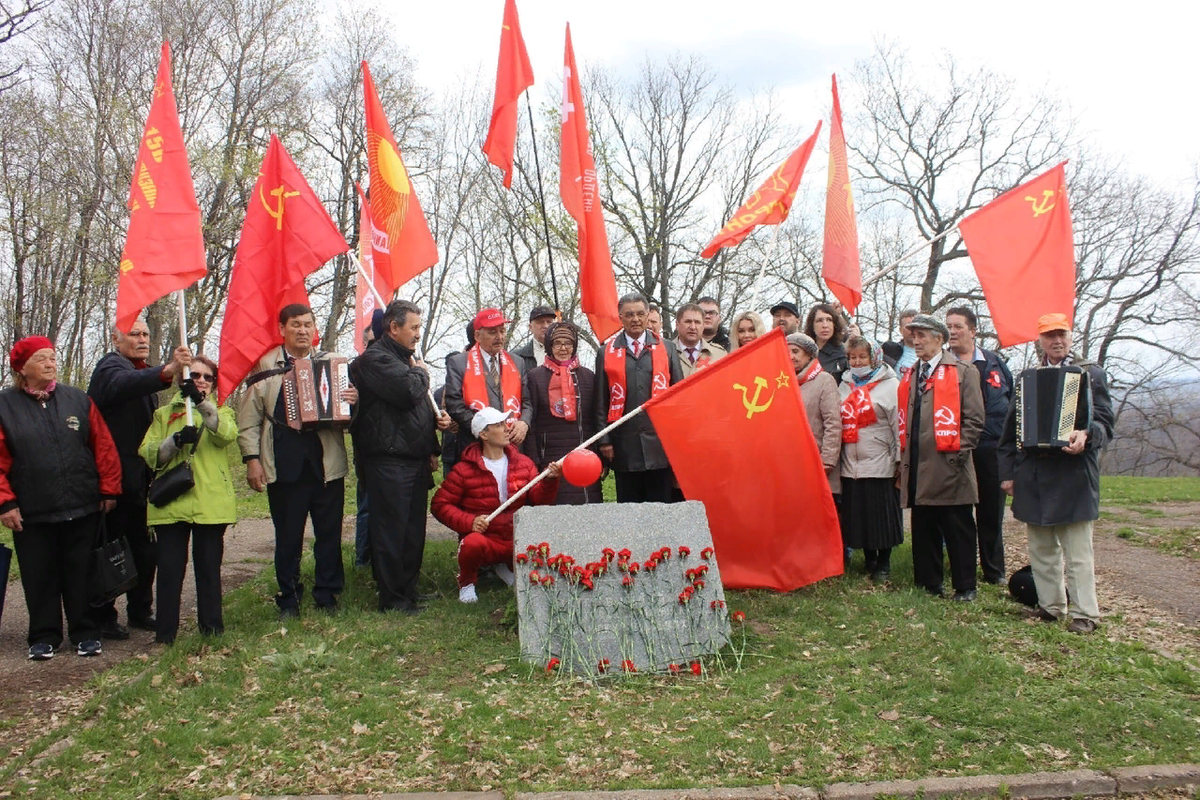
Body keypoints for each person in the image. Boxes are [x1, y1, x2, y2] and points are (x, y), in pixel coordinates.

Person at [0, 337, 121, 660]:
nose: (50, 363)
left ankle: (86, 632)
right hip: (32, 511)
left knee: (81, 573)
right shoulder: (5, 406)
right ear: (21, 368)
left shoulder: (77, 400)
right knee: (39, 575)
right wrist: (5, 503)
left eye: (52, 357)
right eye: (41, 358)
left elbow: (103, 447)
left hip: (82, 505)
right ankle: (44, 636)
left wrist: (109, 488)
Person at [236, 303, 357, 619]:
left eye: (307, 324)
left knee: (329, 534)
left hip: (326, 465)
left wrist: (353, 402)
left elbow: (350, 417)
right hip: (284, 463)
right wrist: (252, 459)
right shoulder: (265, 366)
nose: (303, 331)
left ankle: (327, 595)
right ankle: (288, 598)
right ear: (282, 329)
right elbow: (249, 421)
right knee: (288, 537)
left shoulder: (332, 363)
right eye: (295, 325)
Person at [998, 313, 1114, 634]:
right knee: (1041, 548)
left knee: (1078, 552)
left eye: (1062, 333)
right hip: (1033, 473)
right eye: (1050, 335)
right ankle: (1050, 607)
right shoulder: (1027, 378)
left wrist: (1086, 434)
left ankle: (1085, 614)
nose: (1057, 340)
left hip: (1074, 472)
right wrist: (1008, 473)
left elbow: (1106, 422)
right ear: (1040, 340)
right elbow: (1010, 432)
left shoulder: (1090, 374)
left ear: (1070, 336)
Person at [87, 317, 193, 639]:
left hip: (140, 480)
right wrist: (167, 370)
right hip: (112, 480)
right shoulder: (110, 368)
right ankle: (102, 615)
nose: (143, 339)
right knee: (110, 549)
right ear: (116, 339)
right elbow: (123, 385)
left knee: (144, 550)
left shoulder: (139, 371)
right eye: (134, 334)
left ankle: (140, 610)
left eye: (146, 333)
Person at [349, 299, 450, 614]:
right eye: (414, 327)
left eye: (419, 327)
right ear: (394, 327)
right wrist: (421, 374)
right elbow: (408, 392)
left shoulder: (406, 360)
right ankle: (392, 599)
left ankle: (408, 590)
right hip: (388, 460)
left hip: (414, 458)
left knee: (412, 530)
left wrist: (435, 433)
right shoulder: (375, 359)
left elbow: (416, 408)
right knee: (392, 530)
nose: (418, 334)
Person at [139, 355, 236, 645]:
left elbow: (226, 434)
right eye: (194, 375)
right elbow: (149, 453)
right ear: (183, 379)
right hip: (172, 502)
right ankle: (165, 634)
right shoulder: (163, 414)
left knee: (208, 570)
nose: (201, 381)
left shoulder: (222, 410)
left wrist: (201, 404)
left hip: (210, 502)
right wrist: (175, 441)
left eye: (207, 377)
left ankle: (212, 631)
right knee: (169, 571)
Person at [432, 407, 561, 603]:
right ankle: (467, 583)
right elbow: (439, 505)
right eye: (499, 425)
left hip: (515, 538)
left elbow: (539, 500)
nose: (507, 428)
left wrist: (549, 482)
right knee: (472, 544)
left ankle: (506, 566)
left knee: (545, 539)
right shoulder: (463, 470)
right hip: (486, 540)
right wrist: (470, 522)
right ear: (483, 434)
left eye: (505, 423)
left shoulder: (524, 463)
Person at [897, 314, 985, 601]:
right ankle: (929, 583)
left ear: (939, 338)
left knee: (958, 527)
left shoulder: (963, 371)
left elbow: (974, 420)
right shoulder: (911, 373)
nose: (916, 340)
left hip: (949, 465)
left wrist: (957, 455)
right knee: (924, 526)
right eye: (913, 335)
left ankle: (965, 586)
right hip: (918, 464)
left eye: (922, 335)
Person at [594, 292, 684, 503]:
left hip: (660, 444)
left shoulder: (667, 348)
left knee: (661, 507)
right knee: (629, 509)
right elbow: (600, 401)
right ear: (620, 317)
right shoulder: (606, 352)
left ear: (647, 315)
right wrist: (604, 441)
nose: (635, 319)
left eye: (640, 314)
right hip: (625, 445)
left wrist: (677, 439)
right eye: (629, 314)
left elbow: (678, 396)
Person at [946, 306, 1013, 584]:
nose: (952, 331)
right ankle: (962, 569)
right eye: (948, 326)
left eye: (958, 326)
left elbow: (1011, 401)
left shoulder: (994, 362)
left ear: (972, 331)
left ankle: (994, 571)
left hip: (991, 447)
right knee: (959, 513)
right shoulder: (943, 365)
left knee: (991, 512)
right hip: (956, 446)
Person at [838, 338, 903, 583]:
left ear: (874, 357)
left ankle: (883, 563)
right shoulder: (844, 385)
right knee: (861, 514)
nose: (857, 362)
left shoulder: (891, 385)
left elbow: (898, 425)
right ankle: (869, 558)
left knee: (881, 515)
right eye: (852, 357)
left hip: (881, 460)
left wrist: (899, 461)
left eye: (862, 357)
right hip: (851, 461)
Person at [520, 322, 602, 504]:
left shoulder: (588, 377)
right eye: (557, 343)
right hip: (549, 457)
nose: (563, 348)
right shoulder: (535, 377)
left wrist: (599, 455)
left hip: (583, 457)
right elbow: (531, 422)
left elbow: (596, 417)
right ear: (549, 346)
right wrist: (533, 460)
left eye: (568, 343)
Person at [445, 307, 529, 449]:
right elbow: (454, 405)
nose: (499, 337)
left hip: (513, 444)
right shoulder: (459, 363)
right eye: (492, 332)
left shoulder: (518, 362)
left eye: (502, 331)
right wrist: (486, 429)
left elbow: (527, 401)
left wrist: (524, 422)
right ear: (477, 336)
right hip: (476, 445)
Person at [787, 333, 842, 499]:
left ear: (809, 354)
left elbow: (833, 423)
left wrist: (827, 461)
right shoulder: (783, 381)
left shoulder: (824, 380)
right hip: (790, 464)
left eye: (795, 351)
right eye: (787, 352)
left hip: (817, 463)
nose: (790, 356)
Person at [674, 303, 726, 378]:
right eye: (688, 322)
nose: (693, 327)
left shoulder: (719, 354)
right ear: (677, 325)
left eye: (697, 322)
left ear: (703, 325)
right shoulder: (665, 352)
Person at [805, 303, 849, 384]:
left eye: (829, 320)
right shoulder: (804, 352)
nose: (825, 325)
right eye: (819, 320)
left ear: (834, 324)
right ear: (812, 325)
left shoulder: (843, 353)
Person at [512, 305, 556, 374]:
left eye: (549, 322)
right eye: (540, 322)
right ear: (530, 327)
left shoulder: (565, 354)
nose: (545, 326)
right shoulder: (516, 357)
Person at [892, 309, 919, 373]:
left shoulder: (930, 354)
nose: (912, 330)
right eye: (908, 326)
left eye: (915, 326)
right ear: (900, 330)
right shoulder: (891, 353)